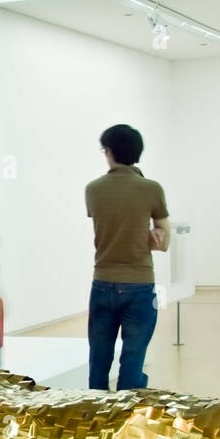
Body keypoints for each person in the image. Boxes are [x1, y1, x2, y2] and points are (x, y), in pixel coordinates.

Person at [85, 124, 170, 391]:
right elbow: (164, 242)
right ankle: (126, 419)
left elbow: (110, 228)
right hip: (139, 286)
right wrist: (147, 236)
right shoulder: (151, 189)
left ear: (108, 152)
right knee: (132, 361)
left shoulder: (93, 189)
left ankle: (95, 420)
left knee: (98, 361)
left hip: (102, 283)